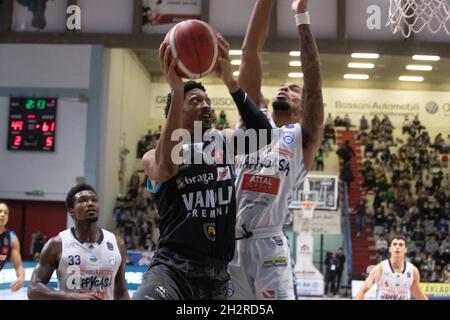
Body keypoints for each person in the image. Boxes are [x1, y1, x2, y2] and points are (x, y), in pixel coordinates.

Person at [132, 34, 272, 300]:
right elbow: (165, 168)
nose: (205, 105)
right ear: (175, 110)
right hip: (173, 269)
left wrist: (230, 81)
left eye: (207, 100)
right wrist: (176, 88)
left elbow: (265, 135)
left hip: (216, 276)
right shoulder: (153, 154)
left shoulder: (223, 141)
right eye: (195, 100)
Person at [228, 0, 324, 300]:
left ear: (303, 104)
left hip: (270, 246)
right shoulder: (253, 121)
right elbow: (250, 52)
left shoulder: (302, 137)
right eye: (282, 86)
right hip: (231, 247)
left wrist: (301, 16)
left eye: (294, 89)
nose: (285, 88)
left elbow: (313, 76)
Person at [27, 184, 129, 300]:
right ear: (72, 211)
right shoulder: (57, 244)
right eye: (83, 200)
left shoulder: (117, 244)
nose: (90, 203)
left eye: (94, 200)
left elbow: (121, 292)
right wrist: (71, 296)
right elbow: (33, 288)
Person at [355, 235, 428, 300]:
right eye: (395, 244)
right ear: (390, 249)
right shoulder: (380, 269)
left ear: (405, 250)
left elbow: (419, 296)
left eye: (401, 245)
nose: (397, 247)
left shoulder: (413, 271)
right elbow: (361, 292)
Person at [0, 203, 25, 292]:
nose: (2, 214)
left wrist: (21, 278)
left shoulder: (12, 238)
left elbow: (18, 266)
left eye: (5, 213)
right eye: (0, 211)